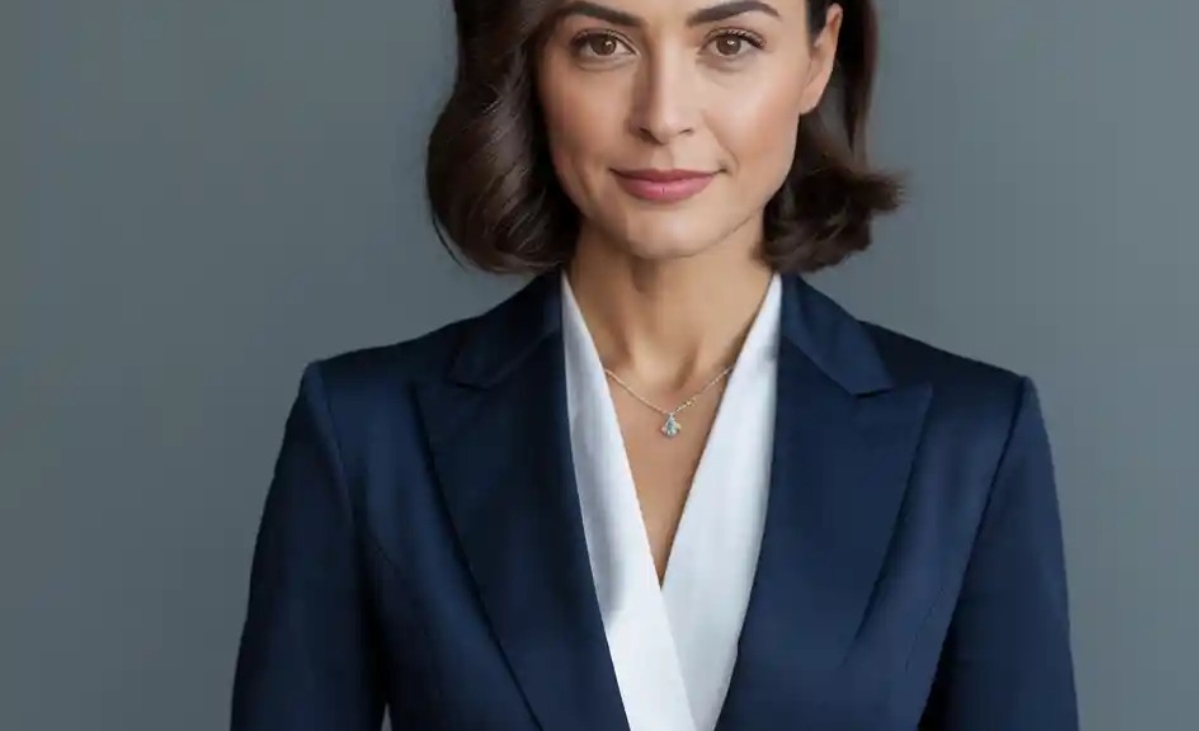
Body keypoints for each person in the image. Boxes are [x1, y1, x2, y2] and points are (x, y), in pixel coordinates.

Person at [230, 0, 1079, 729]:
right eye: (603, 42)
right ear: (532, 60)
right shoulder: (366, 433)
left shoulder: (969, 442)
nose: (663, 114)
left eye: (730, 42)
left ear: (818, 56)